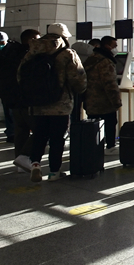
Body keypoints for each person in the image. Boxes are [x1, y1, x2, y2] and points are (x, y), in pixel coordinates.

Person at [21, 23, 87, 182]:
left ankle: (35, 165)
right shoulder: (67, 53)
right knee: (57, 138)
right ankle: (54, 172)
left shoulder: (33, 51)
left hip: (37, 103)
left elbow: (20, 75)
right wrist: (80, 90)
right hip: (60, 105)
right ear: (64, 36)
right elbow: (78, 78)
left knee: (39, 135)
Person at [0, 29, 41, 172]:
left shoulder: (10, 53)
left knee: (20, 131)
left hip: (13, 99)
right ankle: (24, 157)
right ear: (30, 40)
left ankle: (20, 163)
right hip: (28, 99)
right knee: (40, 130)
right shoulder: (28, 56)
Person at [83, 36, 122, 155]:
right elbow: (109, 83)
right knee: (110, 123)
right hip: (105, 101)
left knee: (93, 126)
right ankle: (110, 147)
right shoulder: (106, 61)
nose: (116, 49)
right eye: (114, 46)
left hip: (90, 99)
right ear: (107, 46)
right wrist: (116, 101)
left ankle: (93, 148)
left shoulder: (91, 58)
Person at [0, 30, 15, 143]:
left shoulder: (12, 52)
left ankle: (12, 132)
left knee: (9, 111)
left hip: (9, 86)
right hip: (5, 85)